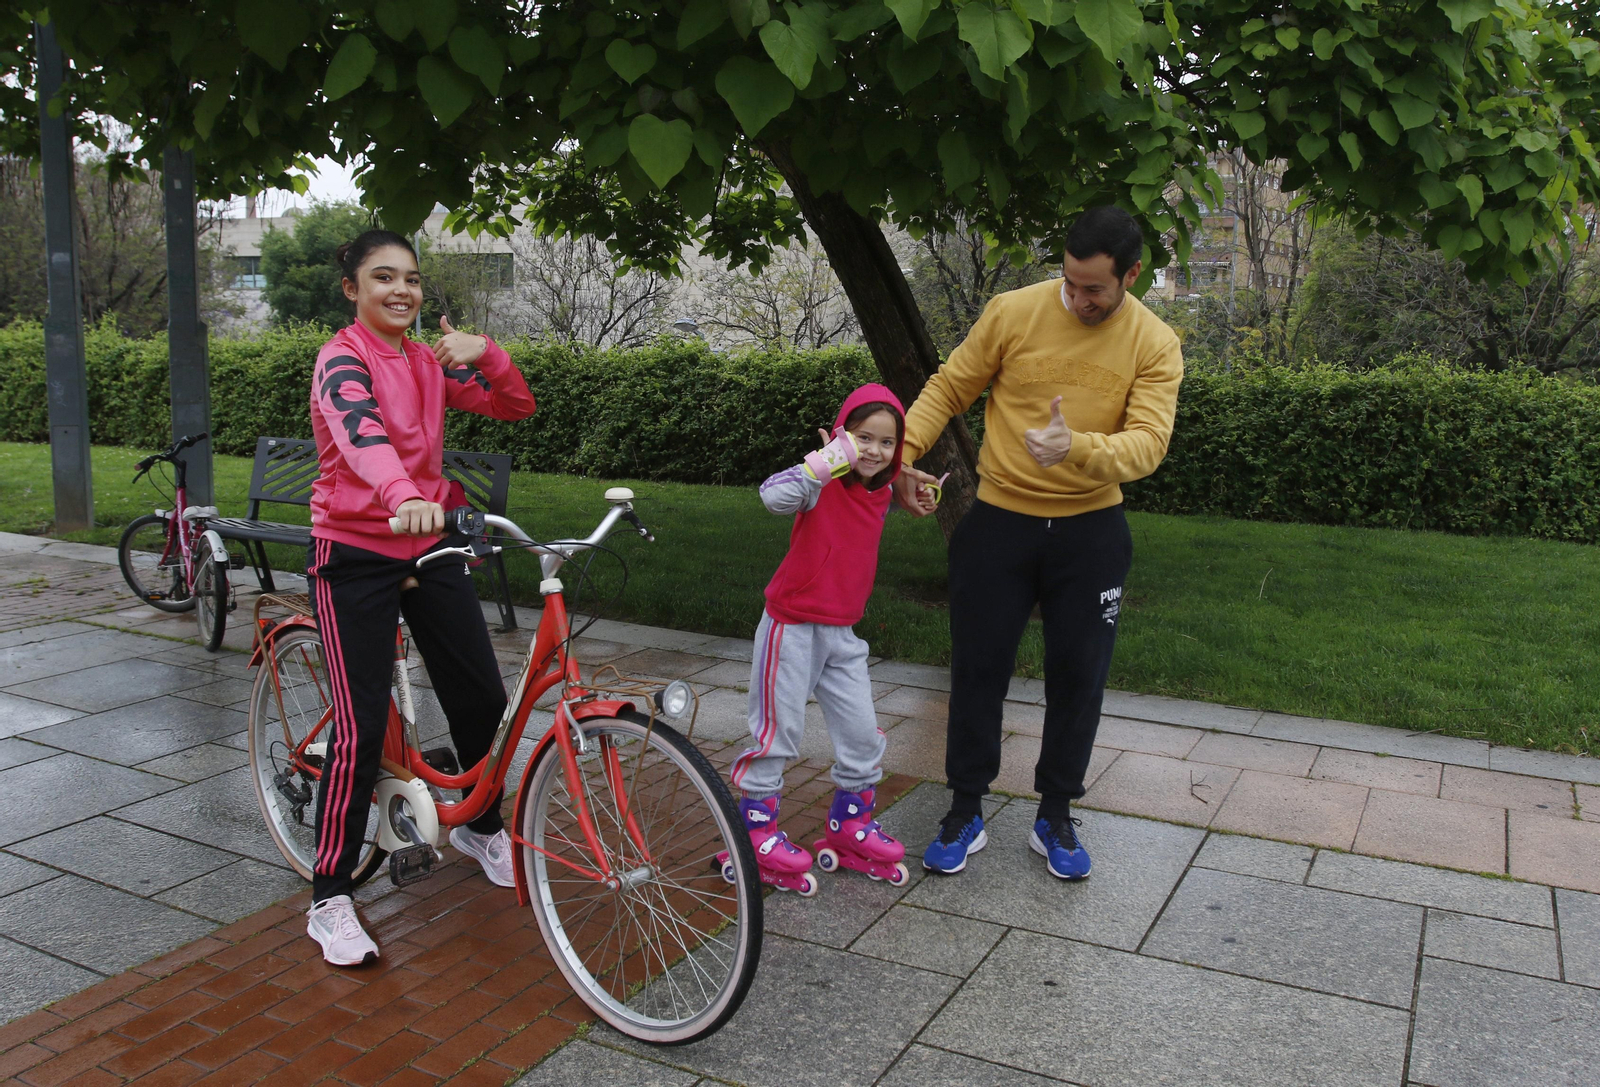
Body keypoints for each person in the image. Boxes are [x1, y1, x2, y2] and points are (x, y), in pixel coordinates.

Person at [894, 206, 1183, 880]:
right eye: (1070, 282)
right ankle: (965, 808)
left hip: (1091, 533)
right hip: (999, 521)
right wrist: (901, 454)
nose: (1078, 299)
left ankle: (1055, 813)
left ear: (1133, 275)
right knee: (977, 669)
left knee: (1079, 678)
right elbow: (949, 387)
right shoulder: (1012, 312)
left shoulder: (1155, 341)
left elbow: (1149, 443)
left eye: (1095, 291)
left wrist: (1076, 447)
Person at [302, 230, 536, 965]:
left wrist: (487, 352)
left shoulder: (427, 363)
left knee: (479, 695)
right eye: (383, 278)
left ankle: (481, 828)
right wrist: (403, 493)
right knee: (362, 723)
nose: (400, 290)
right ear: (353, 289)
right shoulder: (341, 357)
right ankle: (330, 894)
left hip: (427, 539)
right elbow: (362, 434)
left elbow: (516, 405)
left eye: (410, 278)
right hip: (357, 545)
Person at [729, 384, 934, 894]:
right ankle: (756, 832)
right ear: (843, 435)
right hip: (791, 627)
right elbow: (773, 496)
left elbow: (894, 483)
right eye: (864, 437)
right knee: (777, 734)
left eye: (887, 442)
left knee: (864, 735)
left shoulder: (882, 489)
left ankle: (850, 829)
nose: (874, 450)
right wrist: (823, 463)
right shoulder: (822, 481)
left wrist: (912, 483)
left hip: (843, 634)